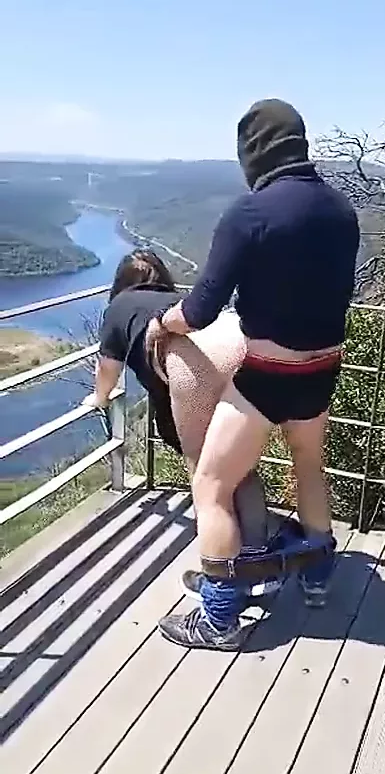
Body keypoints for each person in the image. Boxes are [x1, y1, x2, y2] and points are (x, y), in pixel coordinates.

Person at [148, 99, 360, 651]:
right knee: (308, 467)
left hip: (268, 376)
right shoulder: (341, 209)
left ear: (253, 152)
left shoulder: (250, 212)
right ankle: (317, 576)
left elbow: (200, 310)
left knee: (210, 485)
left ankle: (219, 616)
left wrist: (161, 323)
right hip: (322, 369)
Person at [83, 248, 286, 591]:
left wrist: (100, 397)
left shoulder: (118, 308)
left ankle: (221, 580)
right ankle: (257, 560)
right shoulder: (179, 302)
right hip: (238, 340)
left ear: (121, 282)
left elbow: (108, 369)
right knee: (239, 466)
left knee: (207, 480)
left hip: (195, 362)